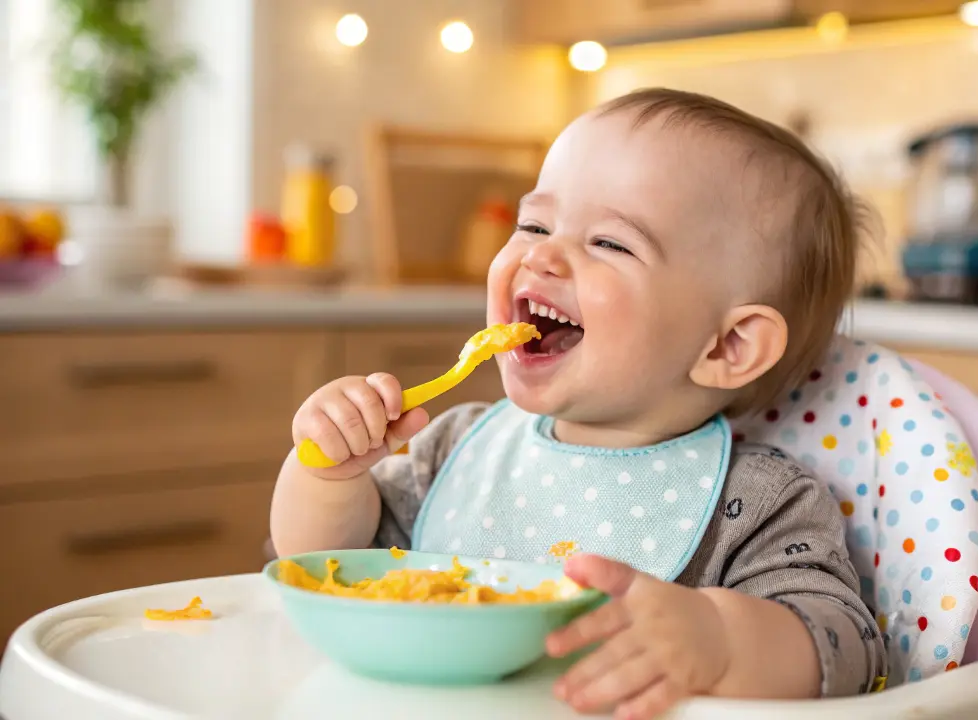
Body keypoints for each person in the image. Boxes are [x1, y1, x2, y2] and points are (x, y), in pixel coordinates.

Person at [271, 87, 887, 720]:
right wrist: (329, 476)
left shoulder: (755, 502)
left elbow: (847, 646)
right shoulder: (455, 449)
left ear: (728, 345)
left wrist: (719, 639)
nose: (539, 254)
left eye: (610, 243)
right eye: (534, 226)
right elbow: (324, 566)